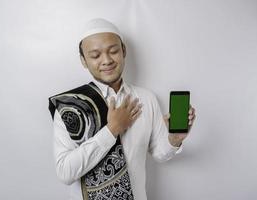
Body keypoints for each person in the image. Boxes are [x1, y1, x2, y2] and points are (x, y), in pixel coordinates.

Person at [48, 18, 196, 200]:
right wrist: (112, 130)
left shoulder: (146, 98)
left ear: (123, 50)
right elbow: (65, 172)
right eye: (95, 55)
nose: (107, 60)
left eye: (113, 51)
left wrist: (174, 139)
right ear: (83, 61)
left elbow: (160, 154)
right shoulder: (69, 107)